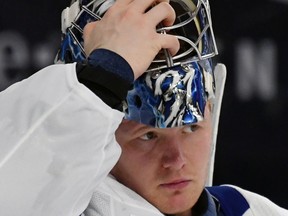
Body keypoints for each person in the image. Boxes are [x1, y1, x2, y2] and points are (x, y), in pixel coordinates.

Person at [0, 0, 287, 215]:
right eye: (148, 136)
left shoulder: (252, 210)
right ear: (99, 135)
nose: (177, 160)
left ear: (212, 110)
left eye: (191, 127)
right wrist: (101, 80)